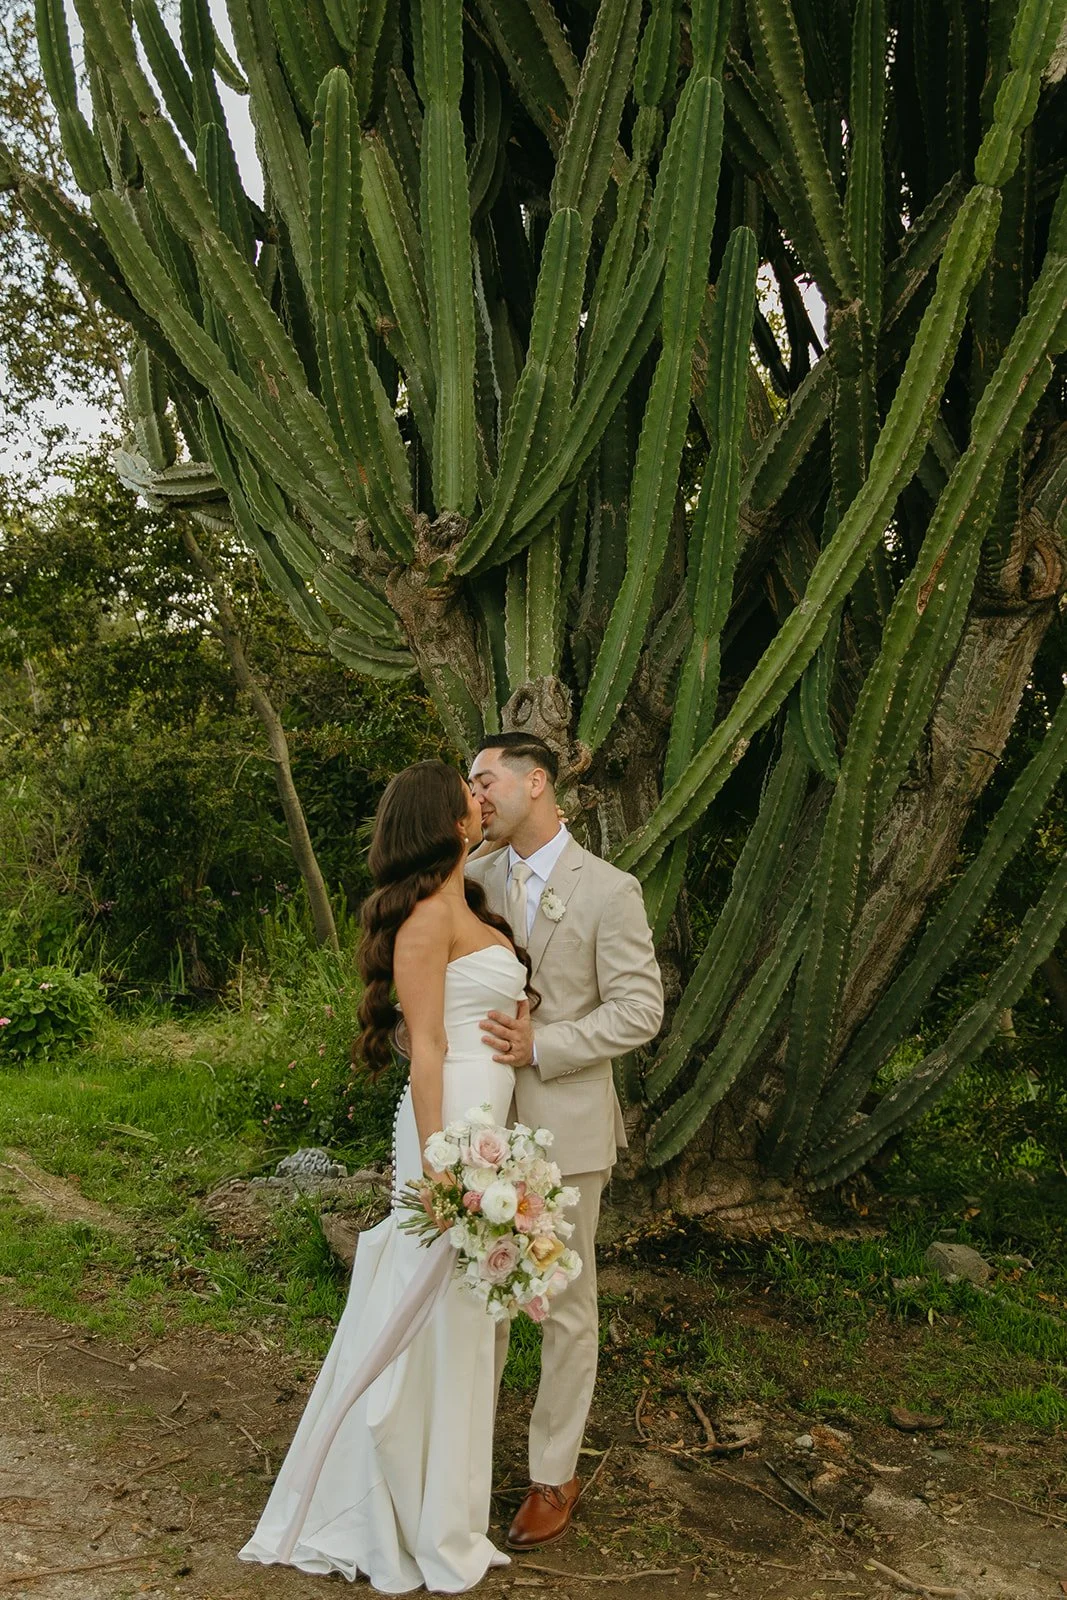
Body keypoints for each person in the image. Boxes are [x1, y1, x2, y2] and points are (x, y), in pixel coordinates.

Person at [239, 760, 536, 1593]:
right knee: (428, 1315)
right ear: (442, 823)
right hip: (449, 1130)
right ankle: (395, 1509)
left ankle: (451, 1517)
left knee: (471, 1322)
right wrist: (442, 1166)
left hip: (496, 1124)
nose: (479, 804)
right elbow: (428, 1051)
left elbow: (489, 1015)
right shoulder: (419, 926)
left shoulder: (471, 907)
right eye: (466, 798)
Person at [466, 733, 664, 1550]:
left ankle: (553, 1473)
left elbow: (638, 1010)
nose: (474, 797)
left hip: (568, 1133)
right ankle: (463, 1462)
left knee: (563, 1312)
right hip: (476, 1133)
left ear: (535, 780)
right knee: (480, 1305)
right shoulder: (469, 880)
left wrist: (543, 1046)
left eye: (484, 780)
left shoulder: (609, 890)